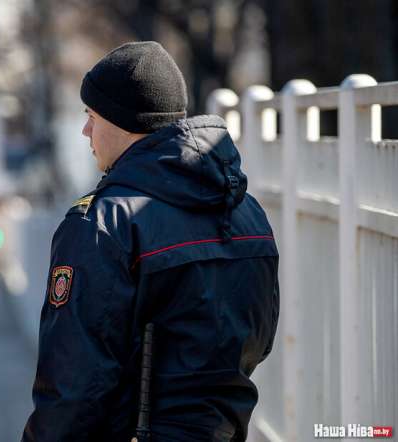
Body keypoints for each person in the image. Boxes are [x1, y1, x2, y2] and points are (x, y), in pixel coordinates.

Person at [23, 41, 279, 442]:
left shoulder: (102, 222)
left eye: (92, 116)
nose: (86, 130)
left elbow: (73, 385)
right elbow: (259, 341)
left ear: (125, 122)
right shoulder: (246, 211)